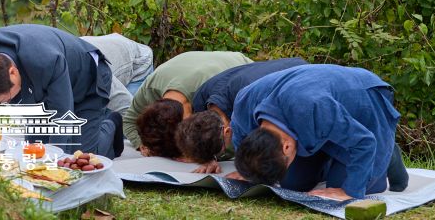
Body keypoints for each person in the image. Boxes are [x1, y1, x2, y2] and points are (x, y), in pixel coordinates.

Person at [232, 63, 407, 200]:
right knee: (293, 183)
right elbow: (240, 135)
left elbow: (364, 141)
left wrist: (351, 192)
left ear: (286, 147)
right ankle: (334, 154)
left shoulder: (314, 107)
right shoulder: (245, 103)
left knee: (344, 184)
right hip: (320, 114)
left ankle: (388, 152)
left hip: (366, 101)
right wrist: (248, 168)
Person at [0, 24, 123, 157]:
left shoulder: (46, 61)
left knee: (78, 155)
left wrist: (56, 162)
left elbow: (63, 115)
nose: (3, 105)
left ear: (12, 72)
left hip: (86, 82)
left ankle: (110, 123)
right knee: (36, 151)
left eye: (5, 100)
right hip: (44, 89)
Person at [176, 57, 308, 170]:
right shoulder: (201, 99)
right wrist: (209, 159)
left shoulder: (251, 103)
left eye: (220, 153)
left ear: (227, 132)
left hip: (302, 79)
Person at [124, 50, 252, 157]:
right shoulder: (150, 88)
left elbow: (232, 138)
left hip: (245, 68)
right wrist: (140, 143)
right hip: (199, 64)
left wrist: (201, 156)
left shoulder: (214, 97)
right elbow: (129, 120)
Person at [81, 33, 154, 114]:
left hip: (139, 63)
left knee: (134, 117)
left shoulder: (92, 73)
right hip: (114, 50)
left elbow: (129, 111)